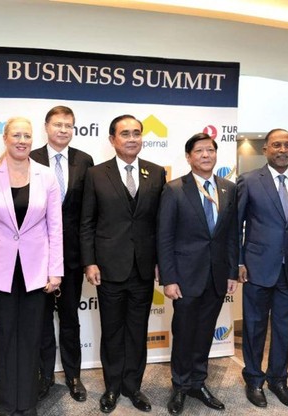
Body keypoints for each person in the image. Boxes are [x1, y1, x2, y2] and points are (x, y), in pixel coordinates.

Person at [0, 117, 63, 416]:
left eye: (27, 135)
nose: (22, 140)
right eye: (16, 135)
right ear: (5, 138)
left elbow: (55, 227)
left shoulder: (46, 175)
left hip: (37, 271)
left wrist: (55, 270)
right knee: (5, 337)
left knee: (31, 338)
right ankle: (8, 405)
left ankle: (27, 404)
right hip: (0, 272)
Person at [80, 114, 166, 414]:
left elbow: (160, 224)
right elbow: (87, 223)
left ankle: (133, 386)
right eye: (125, 133)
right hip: (108, 267)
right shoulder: (95, 174)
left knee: (136, 331)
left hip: (143, 268)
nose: (132, 138)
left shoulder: (155, 173)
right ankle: (113, 386)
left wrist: (160, 262)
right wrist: (89, 262)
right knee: (113, 331)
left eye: (137, 133)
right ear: (112, 139)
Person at [158, 133, 238, 414]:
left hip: (216, 276)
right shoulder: (174, 189)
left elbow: (230, 237)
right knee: (184, 333)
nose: (206, 155)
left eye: (210, 150)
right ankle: (179, 386)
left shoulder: (229, 188)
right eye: (199, 151)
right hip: (185, 277)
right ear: (189, 157)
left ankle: (198, 382)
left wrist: (232, 272)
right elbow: (164, 237)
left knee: (204, 333)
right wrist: (169, 279)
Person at [237, 128, 288, 408]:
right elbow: (236, 226)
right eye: (276, 145)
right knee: (255, 327)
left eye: (287, 145)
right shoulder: (248, 181)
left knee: (285, 328)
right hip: (258, 267)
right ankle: (254, 379)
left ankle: (278, 379)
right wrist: (238, 261)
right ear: (265, 149)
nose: (282, 150)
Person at [30, 105, 94, 402]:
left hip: (71, 257)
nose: (63, 130)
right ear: (46, 126)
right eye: (58, 125)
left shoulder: (85, 161)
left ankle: (73, 376)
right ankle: (44, 376)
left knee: (70, 319)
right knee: (41, 321)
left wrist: (87, 257)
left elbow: (87, 215)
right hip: (36, 256)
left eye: (69, 125)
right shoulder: (30, 157)